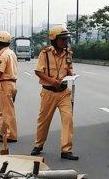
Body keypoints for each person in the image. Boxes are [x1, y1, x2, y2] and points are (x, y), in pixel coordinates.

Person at [31, 25, 79, 160]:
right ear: (54, 40)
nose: (65, 42)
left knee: (68, 119)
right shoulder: (45, 54)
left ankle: (66, 150)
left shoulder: (68, 54)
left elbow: (69, 69)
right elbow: (38, 71)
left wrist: (71, 75)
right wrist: (52, 81)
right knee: (44, 120)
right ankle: (38, 145)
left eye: (66, 39)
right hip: (49, 92)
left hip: (64, 93)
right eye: (62, 39)